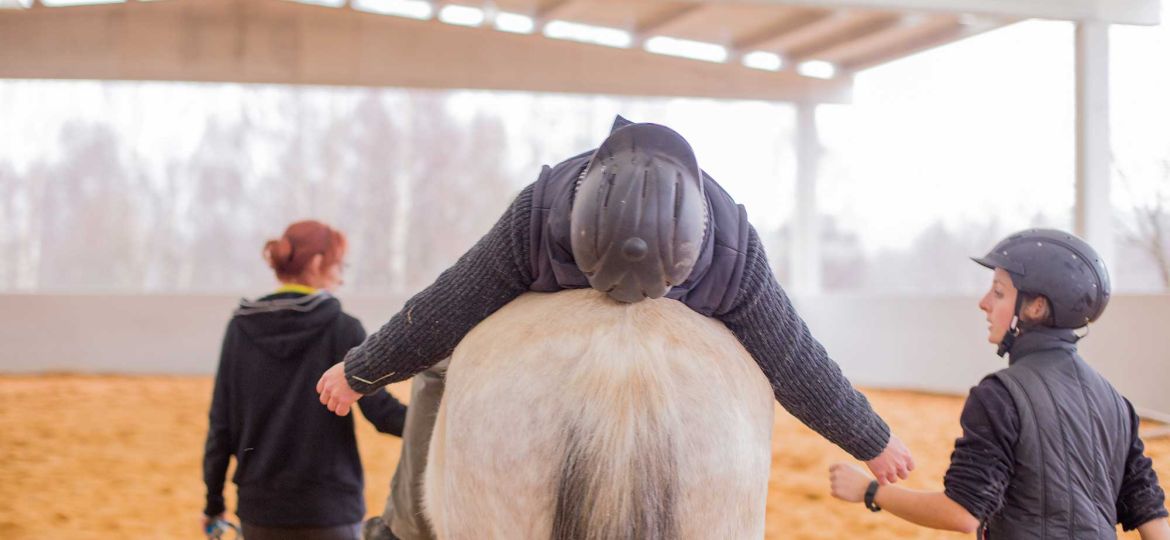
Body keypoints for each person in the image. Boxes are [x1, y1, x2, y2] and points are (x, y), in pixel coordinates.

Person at [317, 117, 915, 540]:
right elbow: (449, 302)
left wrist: (873, 440)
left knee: (444, 374)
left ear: (692, 258)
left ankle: (406, 530)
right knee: (439, 360)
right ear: (572, 235)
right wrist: (361, 370)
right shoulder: (535, 214)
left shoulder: (734, 248)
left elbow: (795, 361)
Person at [828, 228, 1170, 538]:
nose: (984, 303)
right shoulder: (1116, 401)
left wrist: (871, 492)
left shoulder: (999, 396)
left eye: (999, 293)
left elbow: (964, 513)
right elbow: (1151, 516)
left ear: (1035, 307)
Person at [202, 220, 409, 540]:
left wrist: (213, 502)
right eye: (339, 264)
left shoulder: (240, 329)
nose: (341, 276)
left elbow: (221, 426)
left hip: (261, 511)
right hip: (329, 511)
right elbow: (381, 414)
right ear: (316, 263)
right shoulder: (343, 328)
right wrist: (437, 427)